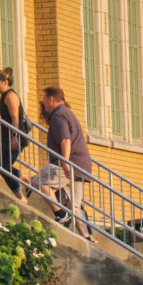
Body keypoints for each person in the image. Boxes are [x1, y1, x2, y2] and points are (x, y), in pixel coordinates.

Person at [41, 86, 94, 240]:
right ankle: (86, 235)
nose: (44, 104)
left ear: (51, 99)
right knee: (75, 204)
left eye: (45, 100)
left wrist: (65, 162)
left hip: (69, 163)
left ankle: (61, 214)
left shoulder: (59, 115)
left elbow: (65, 139)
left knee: (40, 182)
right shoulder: (68, 113)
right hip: (81, 164)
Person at [0, 67, 25, 200]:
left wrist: (14, 137)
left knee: (1, 165)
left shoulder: (11, 96)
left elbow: (15, 118)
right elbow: (4, 120)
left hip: (15, 137)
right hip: (7, 136)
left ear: (5, 82)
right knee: (0, 165)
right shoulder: (3, 96)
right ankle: (24, 180)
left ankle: (21, 193)